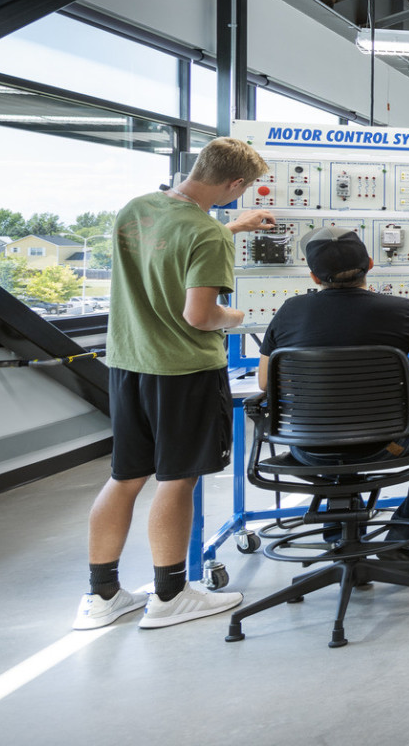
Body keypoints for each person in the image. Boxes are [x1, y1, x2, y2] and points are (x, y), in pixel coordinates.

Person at [75, 137, 275, 630]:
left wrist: (228, 227)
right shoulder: (209, 237)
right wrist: (237, 315)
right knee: (178, 478)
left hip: (127, 363)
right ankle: (169, 595)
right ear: (234, 184)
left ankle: (101, 596)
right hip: (182, 371)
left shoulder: (136, 209)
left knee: (125, 478)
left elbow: (168, 247)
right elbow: (200, 315)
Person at [257, 227, 409, 575]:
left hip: (308, 448)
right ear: (370, 264)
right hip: (385, 444)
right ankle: (405, 536)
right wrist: (404, 396)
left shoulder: (290, 311)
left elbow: (265, 383)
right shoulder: (401, 310)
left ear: (313, 275)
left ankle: (339, 535)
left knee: (331, 443)